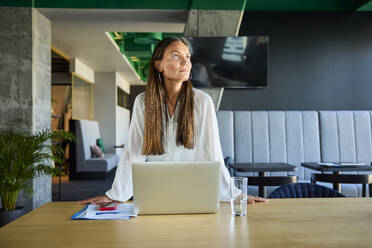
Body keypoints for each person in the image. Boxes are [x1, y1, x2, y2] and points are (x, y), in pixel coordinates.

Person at [78, 36, 268, 205]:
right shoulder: (143, 102)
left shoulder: (202, 102)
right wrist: (116, 194)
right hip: (153, 196)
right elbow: (133, 152)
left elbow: (214, 154)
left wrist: (233, 194)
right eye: (176, 55)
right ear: (158, 64)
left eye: (188, 56)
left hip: (195, 195)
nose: (186, 61)